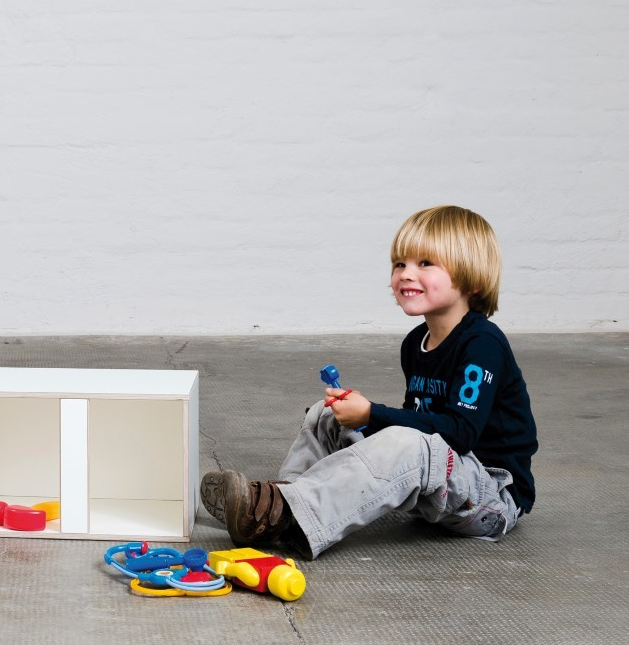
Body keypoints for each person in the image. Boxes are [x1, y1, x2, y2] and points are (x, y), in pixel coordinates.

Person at [200, 205, 537, 559]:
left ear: (471, 279)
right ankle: (279, 508)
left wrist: (372, 415)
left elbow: (460, 432)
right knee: (326, 414)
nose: (406, 274)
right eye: (399, 264)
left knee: (408, 444)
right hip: (439, 484)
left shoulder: (482, 344)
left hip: (488, 496)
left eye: (425, 264)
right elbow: (420, 420)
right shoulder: (415, 344)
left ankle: (293, 511)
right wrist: (359, 418)